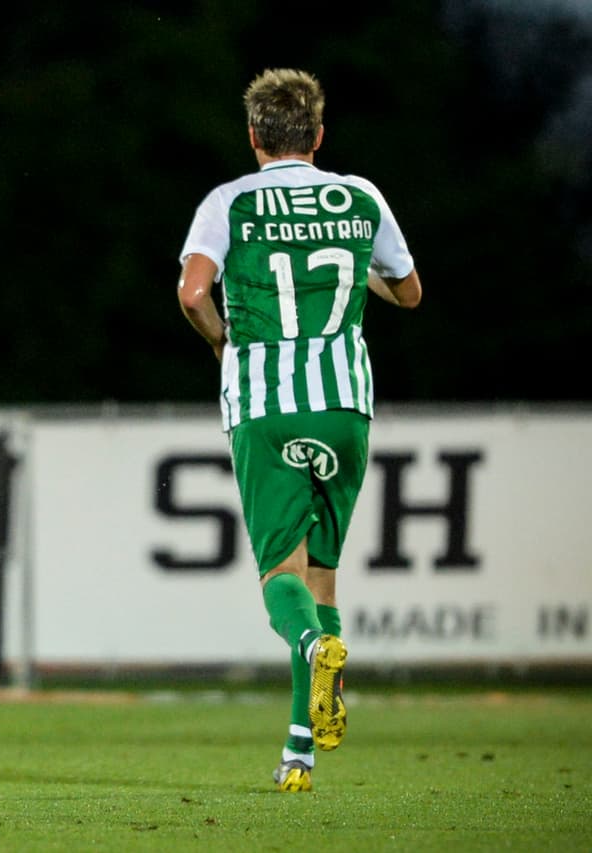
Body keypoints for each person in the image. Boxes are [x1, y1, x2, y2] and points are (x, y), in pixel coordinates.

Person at [176, 67, 422, 793]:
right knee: (323, 572)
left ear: (254, 137)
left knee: (283, 578)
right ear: (317, 136)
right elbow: (409, 290)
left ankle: (316, 645)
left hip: (265, 401)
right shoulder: (360, 196)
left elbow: (192, 292)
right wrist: (356, 279)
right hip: (345, 402)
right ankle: (298, 752)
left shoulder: (229, 202)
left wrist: (222, 340)